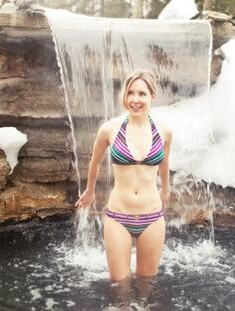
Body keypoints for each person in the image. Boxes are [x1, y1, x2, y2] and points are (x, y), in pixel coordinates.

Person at [75, 70, 172, 282]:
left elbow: (164, 163)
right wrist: (90, 192)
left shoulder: (164, 131)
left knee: (147, 283)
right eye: (130, 93)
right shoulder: (109, 129)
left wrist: (166, 189)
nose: (135, 100)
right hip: (118, 217)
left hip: (153, 217)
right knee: (120, 286)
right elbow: (95, 163)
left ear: (151, 96)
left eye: (141, 94)